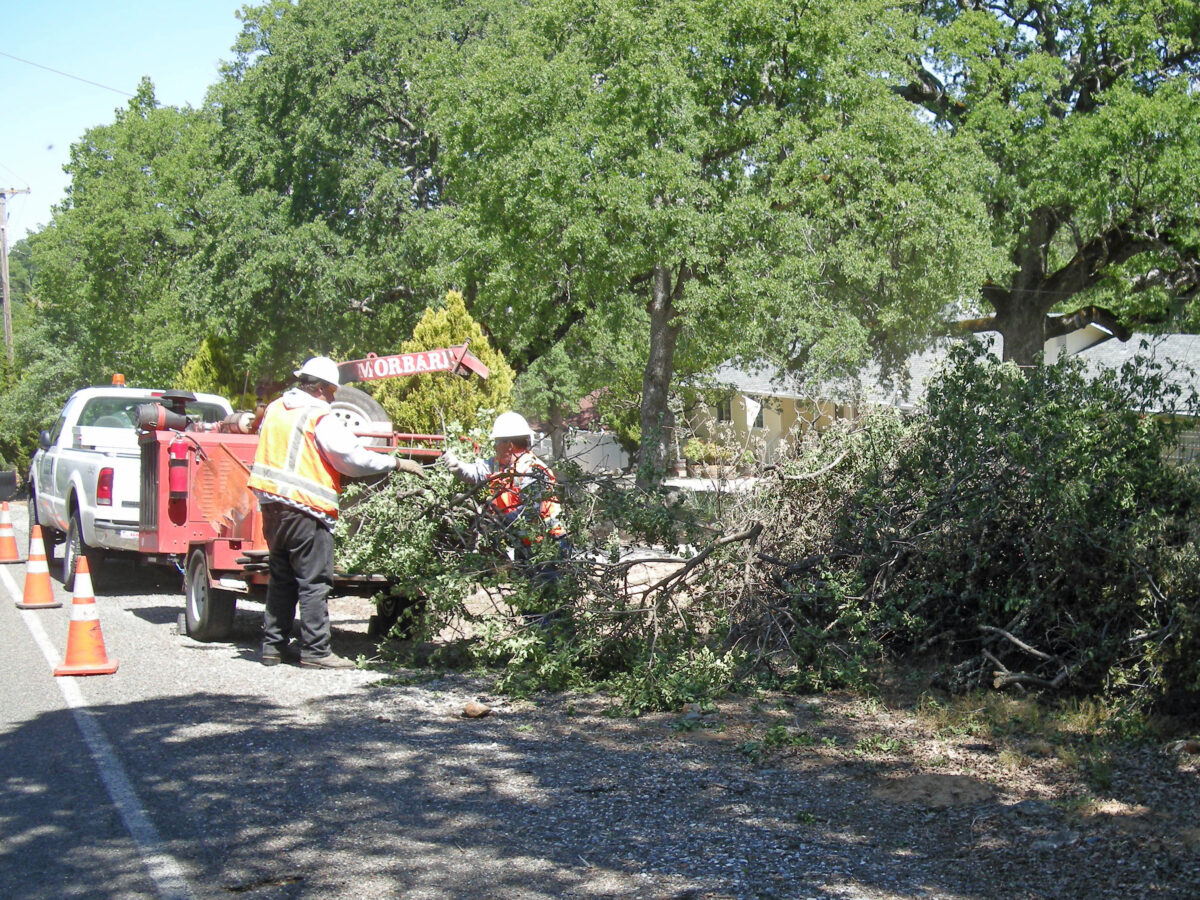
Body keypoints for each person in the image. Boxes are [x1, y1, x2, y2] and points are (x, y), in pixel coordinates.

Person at [247, 356, 424, 668]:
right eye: (332, 392)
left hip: (272, 508)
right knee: (313, 581)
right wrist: (396, 462)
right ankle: (316, 652)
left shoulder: (275, 409)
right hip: (305, 508)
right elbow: (350, 457)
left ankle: (272, 648)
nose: (333, 398)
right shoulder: (318, 415)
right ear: (322, 388)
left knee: (282, 578)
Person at [440, 412, 570, 620]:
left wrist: (493, 518)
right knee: (531, 606)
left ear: (509, 445)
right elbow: (475, 472)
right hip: (526, 546)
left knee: (550, 607)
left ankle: (558, 647)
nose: (494, 447)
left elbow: (528, 516)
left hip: (549, 547)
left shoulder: (533, 471)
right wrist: (457, 466)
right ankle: (536, 646)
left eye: (497, 443)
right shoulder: (500, 465)